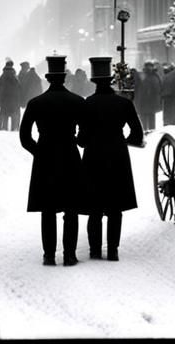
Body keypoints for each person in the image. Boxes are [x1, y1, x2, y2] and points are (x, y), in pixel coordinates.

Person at [20, 54, 86, 266]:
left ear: (48, 78)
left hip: (45, 157)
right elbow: (85, 136)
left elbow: (25, 137)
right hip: (69, 155)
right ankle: (69, 254)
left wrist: (38, 151)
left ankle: (49, 254)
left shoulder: (36, 103)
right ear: (64, 77)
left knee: (47, 209)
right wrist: (77, 140)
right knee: (71, 209)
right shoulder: (77, 102)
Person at [77, 56, 144, 261]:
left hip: (93, 157)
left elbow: (81, 139)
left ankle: (95, 250)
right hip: (117, 156)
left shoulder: (87, 104)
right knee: (115, 207)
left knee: (95, 208)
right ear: (112, 80)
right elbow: (137, 134)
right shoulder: (124, 103)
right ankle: (113, 250)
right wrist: (122, 141)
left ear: (94, 81)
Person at [0, 59, 22, 131]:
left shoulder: (3, 75)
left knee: (3, 113)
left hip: (3, 98)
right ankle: (13, 128)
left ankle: (2, 127)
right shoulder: (14, 75)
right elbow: (18, 86)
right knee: (13, 113)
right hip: (12, 98)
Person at [137, 61, 162, 133]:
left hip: (150, 102)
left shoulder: (153, 77)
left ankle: (150, 132)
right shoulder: (152, 76)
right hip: (145, 102)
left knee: (150, 119)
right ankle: (145, 132)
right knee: (145, 118)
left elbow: (158, 89)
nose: (149, 68)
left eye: (150, 66)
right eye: (147, 66)